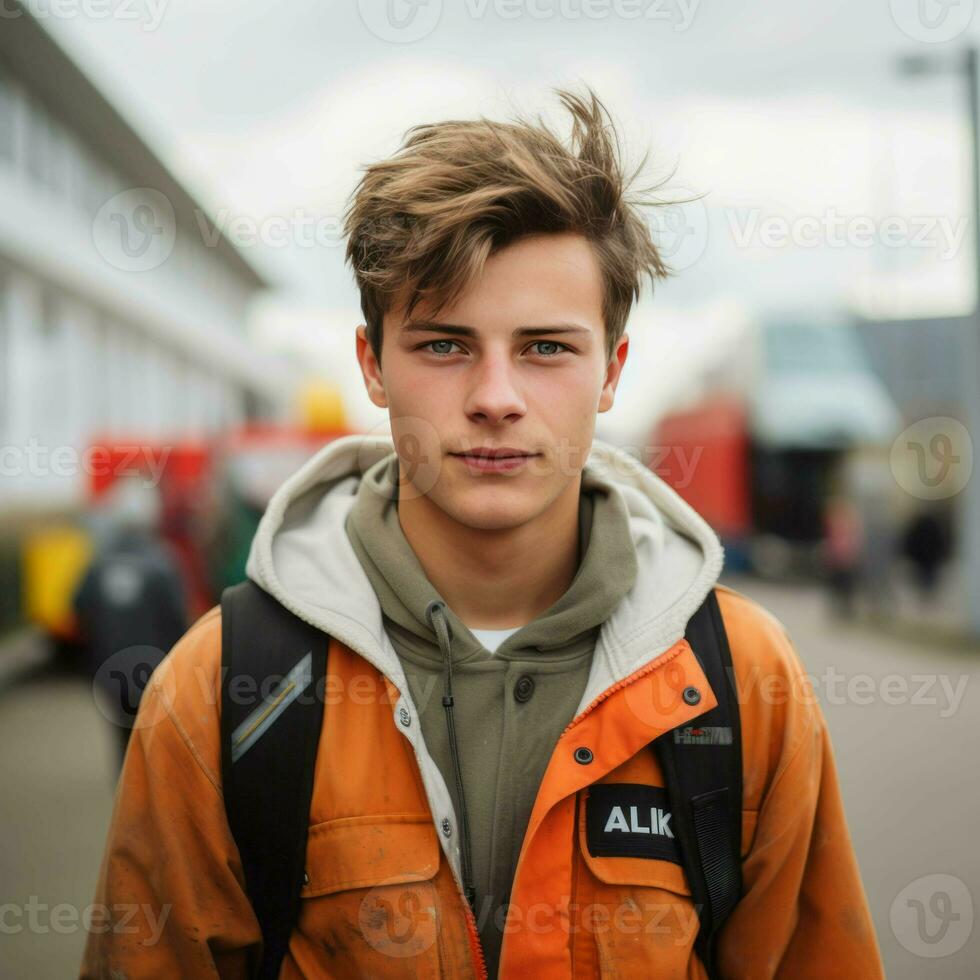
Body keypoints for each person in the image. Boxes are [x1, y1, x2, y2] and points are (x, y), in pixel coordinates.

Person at [80, 87, 883, 978]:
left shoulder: (741, 679)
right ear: (371, 365)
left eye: (546, 348)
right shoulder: (221, 688)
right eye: (444, 345)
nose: (496, 397)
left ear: (612, 371)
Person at [71, 477, 188, 769]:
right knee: (150, 741)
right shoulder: (163, 562)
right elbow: (177, 620)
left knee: (121, 739)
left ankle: (125, 792)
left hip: (108, 672)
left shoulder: (99, 562)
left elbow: (78, 607)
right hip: (152, 674)